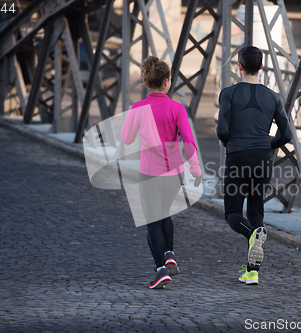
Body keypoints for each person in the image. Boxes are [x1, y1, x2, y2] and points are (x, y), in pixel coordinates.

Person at [121, 56, 202, 289]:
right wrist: (195, 168)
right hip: (174, 174)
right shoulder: (177, 108)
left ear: (146, 82)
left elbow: (126, 139)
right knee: (164, 212)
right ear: (167, 81)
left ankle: (160, 270)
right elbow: (187, 138)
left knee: (152, 222)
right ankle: (169, 253)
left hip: (149, 173)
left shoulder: (138, 109)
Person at [216, 46, 292, 285]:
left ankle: (252, 234)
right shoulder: (273, 97)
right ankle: (252, 273)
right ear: (261, 66)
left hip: (238, 156)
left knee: (232, 213)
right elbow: (287, 134)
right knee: (256, 211)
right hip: (262, 158)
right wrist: (269, 142)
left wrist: (233, 143)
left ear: (239, 65)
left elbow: (222, 130)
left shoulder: (228, 93)